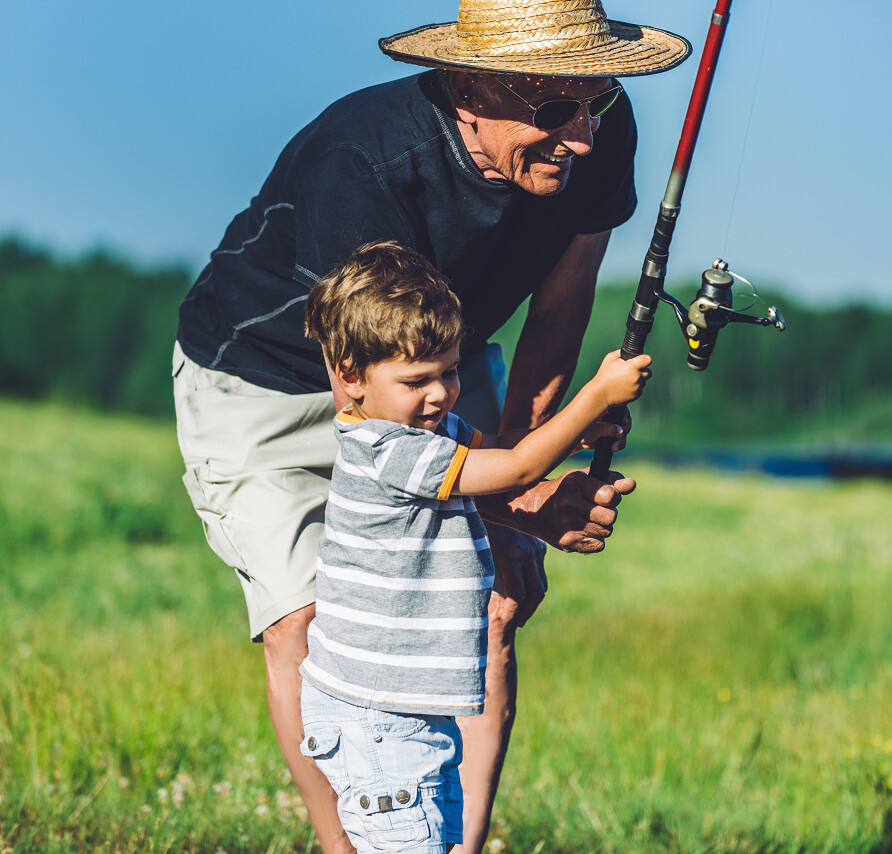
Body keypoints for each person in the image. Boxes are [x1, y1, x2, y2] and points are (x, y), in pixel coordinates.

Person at [172, 0, 689, 851]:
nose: (585, 136)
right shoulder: (362, 163)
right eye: (555, 110)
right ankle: (346, 846)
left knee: (495, 596)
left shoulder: (601, 131)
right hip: (273, 383)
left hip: (435, 368)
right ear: (466, 89)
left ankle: (459, 844)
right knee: (308, 624)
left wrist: (523, 489)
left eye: (595, 102)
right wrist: (517, 497)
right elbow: (387, 433)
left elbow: (561, 304)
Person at [296, 242, 651, 853]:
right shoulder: (391, 451)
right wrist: (594, 394)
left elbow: (500, 454)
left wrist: (582, 430)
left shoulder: (428, 431)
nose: (440, 394)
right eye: (416, 380)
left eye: (451, 371)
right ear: (350, 377)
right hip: (379, 723)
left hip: (400, 712)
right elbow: (517, 467)